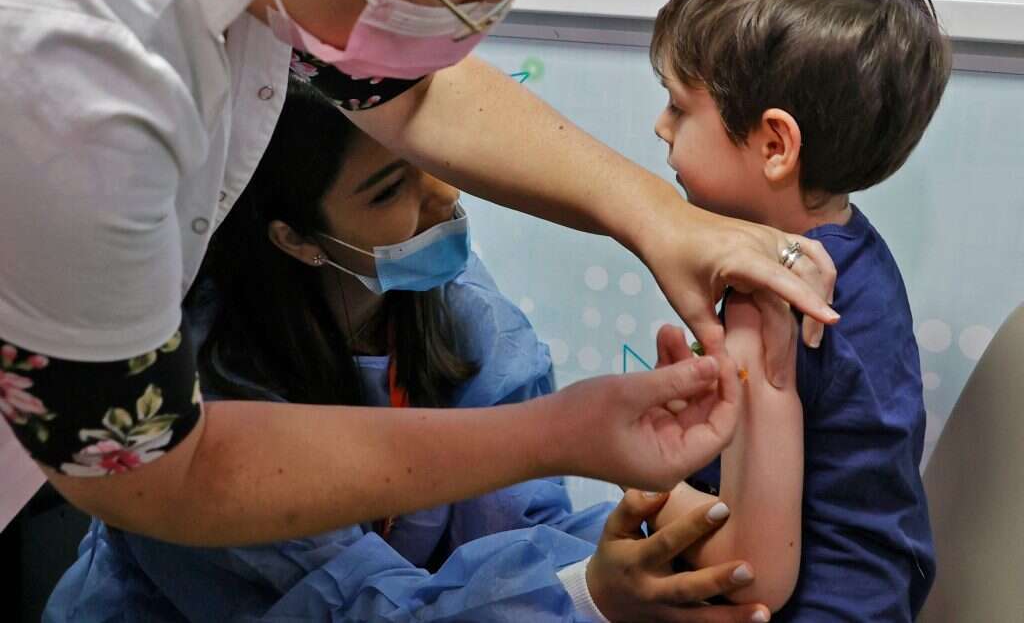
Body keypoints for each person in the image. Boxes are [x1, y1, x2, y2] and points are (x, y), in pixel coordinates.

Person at [0, 0, 837, 555]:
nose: (472, 19)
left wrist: (662, 218)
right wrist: (563, 436)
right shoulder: (76, 57)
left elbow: (407, 92)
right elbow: (158, 473)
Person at [44, 78, 776, 622]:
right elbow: (350, 608)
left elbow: (522, 527)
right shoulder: (204, 390)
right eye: (391, 185)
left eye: (432, 158)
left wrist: (649, 533)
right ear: (292, 237)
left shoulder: (450, 303)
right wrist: (589, 595)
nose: (444, 197)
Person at [643, 0, 951, 620]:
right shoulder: (855, 251)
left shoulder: (767, 299)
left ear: (775, 145)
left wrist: (647, 485)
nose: (660, 128)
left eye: (678, 106)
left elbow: (751, 574)